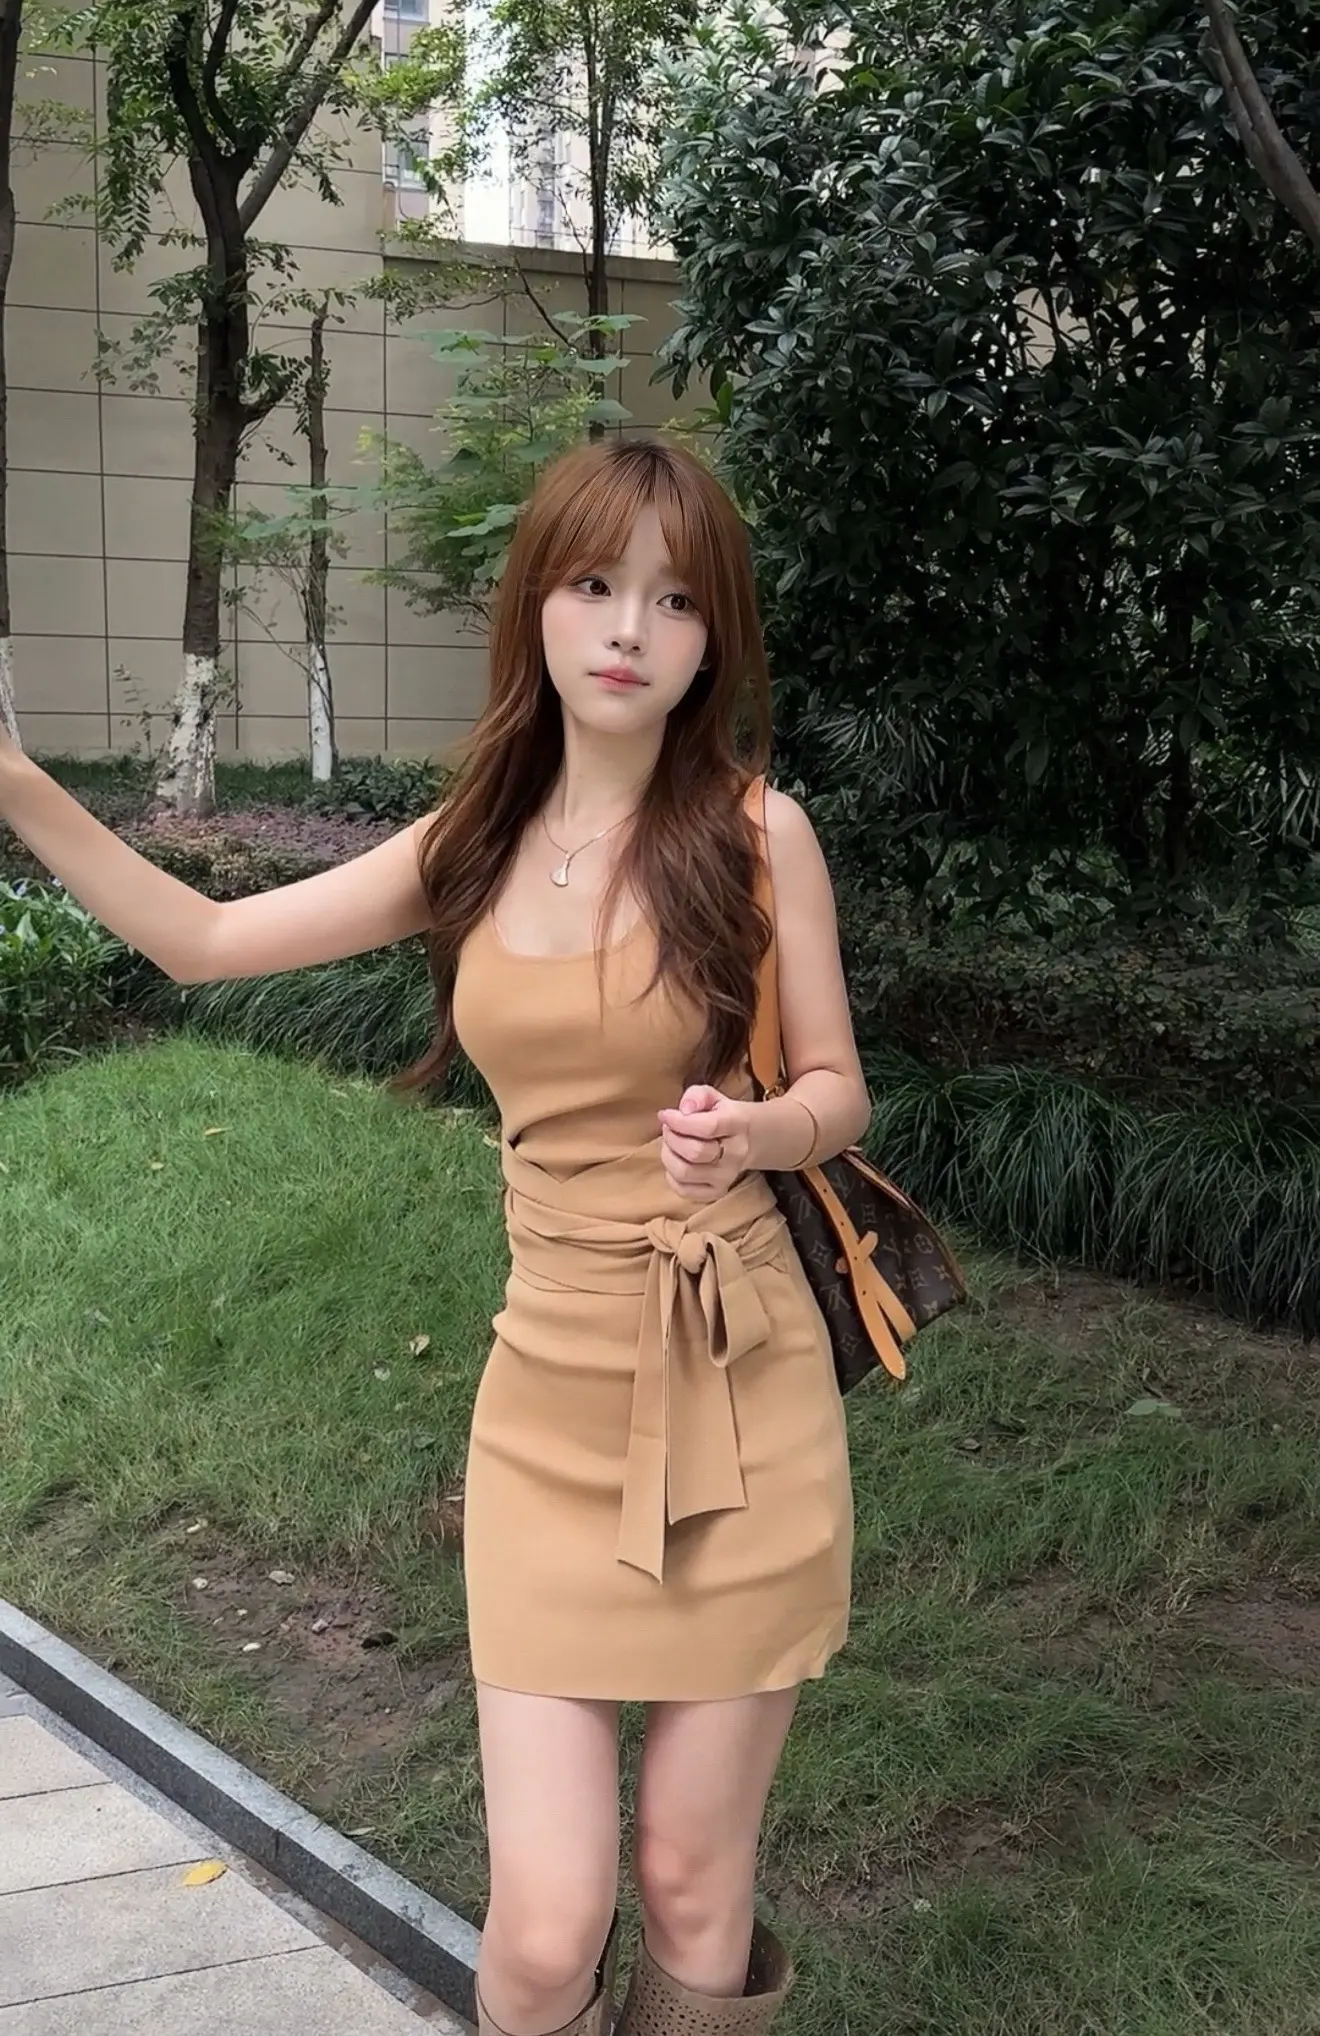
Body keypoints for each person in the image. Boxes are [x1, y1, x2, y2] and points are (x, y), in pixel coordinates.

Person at [0, 434, 870, 2036]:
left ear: (716, 637)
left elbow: (838, 1089)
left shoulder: (760, 837)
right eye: (595, 583)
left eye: (677, 599)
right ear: (537, 601)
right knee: (543, 1933)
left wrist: (758, 1132)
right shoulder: (471, 840)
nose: (631, 629)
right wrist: (15, 783)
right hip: (547, 1402)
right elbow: (204, 940)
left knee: (692, 1883)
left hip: (740, 1385)